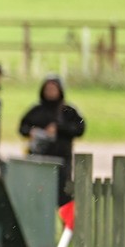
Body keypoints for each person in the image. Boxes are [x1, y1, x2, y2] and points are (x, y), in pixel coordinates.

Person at [19, 75, 86, 205]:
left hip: (62, 162)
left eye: (53, 88)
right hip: (39, 161)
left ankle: (69, 226)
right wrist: (32, 131)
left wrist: (59, 128)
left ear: (60, 90)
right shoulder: (36, 110)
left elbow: (80, 129)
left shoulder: (68, 111)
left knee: (64, 198)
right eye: (47, 89)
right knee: (39, 199)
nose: (50, 92)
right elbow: (22, 127)